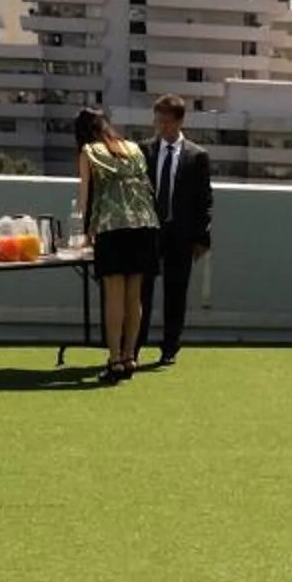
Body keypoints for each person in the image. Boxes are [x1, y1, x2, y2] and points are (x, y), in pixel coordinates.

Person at [74, 105, 159, 384]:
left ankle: (115, 360)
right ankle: (130, 356)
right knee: (135, 296)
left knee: (114, 296)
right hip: (144, 224)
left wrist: (86, 232)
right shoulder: (133, 148)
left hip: (112, 227)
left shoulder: (89, 152)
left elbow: (85, 197)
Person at [137, 95, 213, 368]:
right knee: (141, 292)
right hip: (148, 233)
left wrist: (201, 237)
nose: (162, 127)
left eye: (167, 122)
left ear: (180, 121)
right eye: (158, 121)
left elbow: (204, 200)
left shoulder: (196, 156)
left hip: (180, 234)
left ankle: (170, 346)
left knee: (176, 292)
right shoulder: (143, 151)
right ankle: (134, 346)